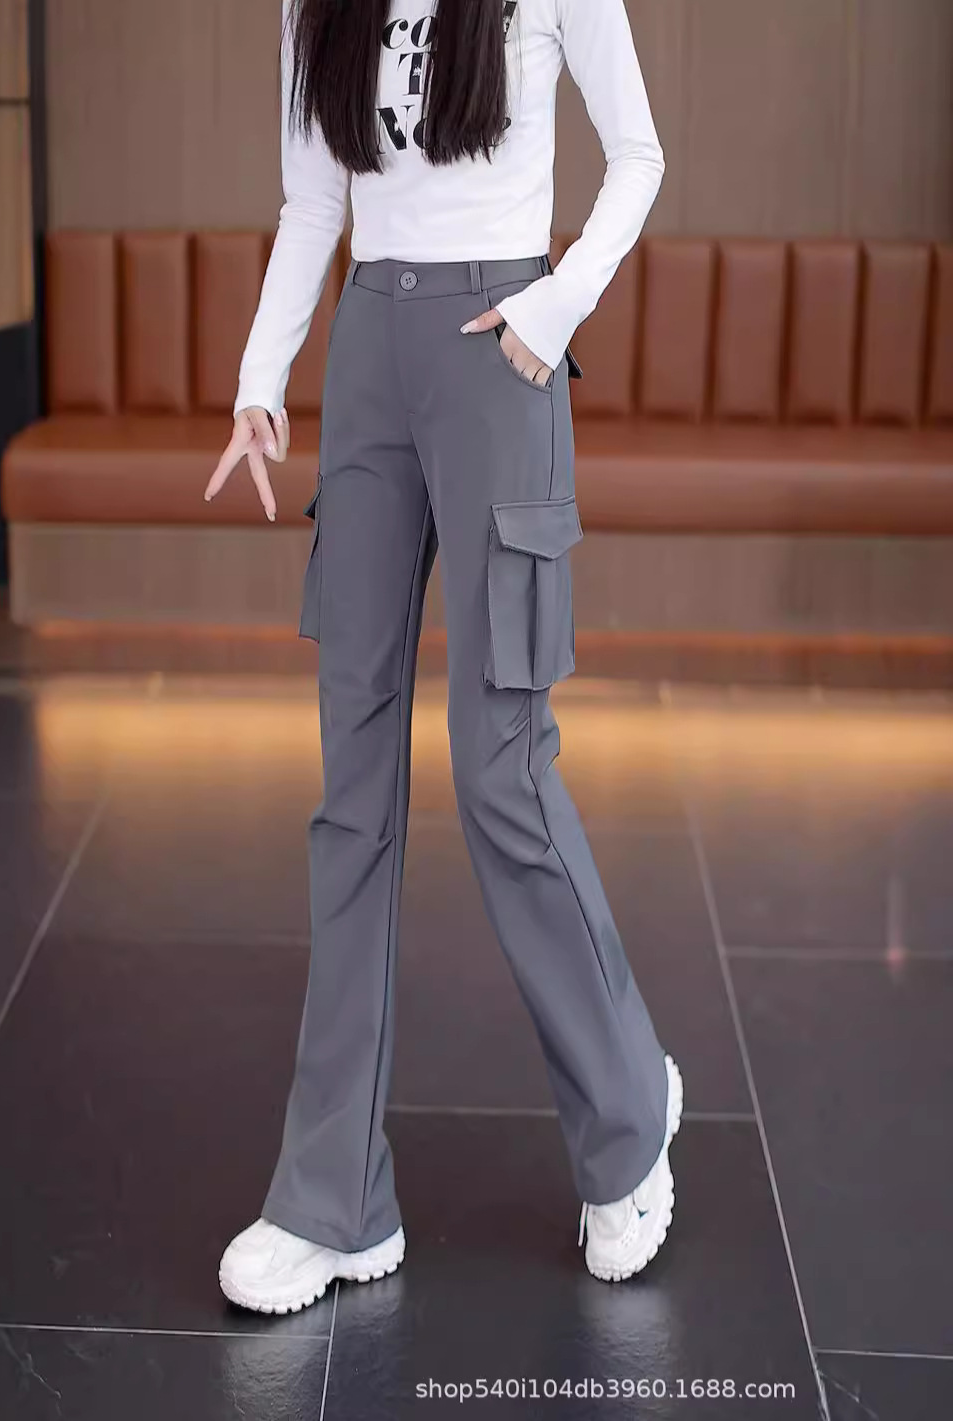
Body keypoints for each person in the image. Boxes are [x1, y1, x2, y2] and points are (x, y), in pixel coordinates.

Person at [208, 0, 682, 1316]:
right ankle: (334, 1200)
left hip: (498, 347)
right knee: (349, 787)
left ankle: (627, 1122)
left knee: (499, 769)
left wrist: (554, 305)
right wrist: (261, 375)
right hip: (370, 348)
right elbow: (315, 199)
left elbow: (638, 154)